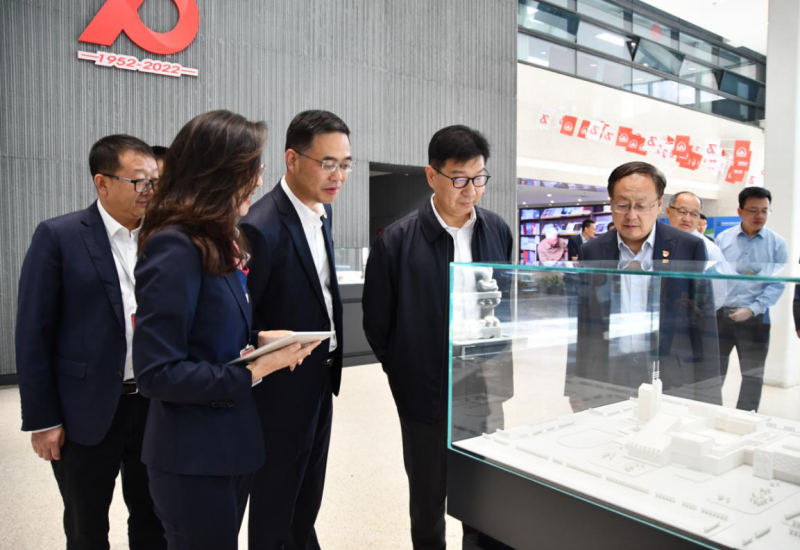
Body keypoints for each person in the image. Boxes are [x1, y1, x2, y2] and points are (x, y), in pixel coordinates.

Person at [133, 110, 317, 549]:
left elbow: (209, 336)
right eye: (251, 169)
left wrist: (258, 342)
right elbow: (157, 373)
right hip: (191, 458)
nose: (258, 181)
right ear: (217, 174)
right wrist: (255, 370)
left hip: (228, 446)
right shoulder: (174, 246)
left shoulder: (216, 241)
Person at [363, 125, 514, 550]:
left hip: (484, 381)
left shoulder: (497, 229)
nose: (471, 190)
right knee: (429, 497)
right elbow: (378, 325)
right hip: (426, 387)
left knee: (485, 492)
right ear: (432, 176)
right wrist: (408, 371)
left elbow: (504, 301)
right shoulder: (397, 241)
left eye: (479, 178)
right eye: (459, 179)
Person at [15, 135, 166, 549]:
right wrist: (43, 421)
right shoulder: (59, 236)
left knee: (155, 520)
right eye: (139, 181)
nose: (150, 190)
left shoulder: (163, 237)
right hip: (84, 410)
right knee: (86, 527)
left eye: (155, 180)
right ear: (102, 183)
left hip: (152, 405)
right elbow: (33, 334)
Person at [241, 110, 349, 550]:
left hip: (319, 378)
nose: (338, 175)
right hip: (279, 389)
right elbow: (242, 320)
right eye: (328, 163)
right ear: (291, 159)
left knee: (306, 499)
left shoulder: (321, 213)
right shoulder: (259, 226)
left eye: (345, 164)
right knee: (275, 503)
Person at [569, 161, 720, 408]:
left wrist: (710, 395)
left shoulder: (688, 247)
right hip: (609, 371)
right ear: (611, 203)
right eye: (622, 205)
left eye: (641, 206)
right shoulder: (593, 251)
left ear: (659, 205)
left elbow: (705, 323)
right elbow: (583, 324)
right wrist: (576, 386)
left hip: (670, 371)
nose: (631, 216)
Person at [715, 187, 788, 412]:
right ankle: (712, 412)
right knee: (714, 371)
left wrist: (752, 308)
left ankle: (745, 418)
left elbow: (776, 283)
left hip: (755, 318)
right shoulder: (723, 239)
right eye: (753, 210)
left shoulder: (777, 244)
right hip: (722, 315)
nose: (759, 216)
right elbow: (715, 276)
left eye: (764, 211)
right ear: (740, 211)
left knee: (752, 375)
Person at [664, 191, 727, 309]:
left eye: (694, 214)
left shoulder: (710, 249)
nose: (687, 219)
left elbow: (718, 293)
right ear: (668, 211)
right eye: (682, 212)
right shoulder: (658, 241)